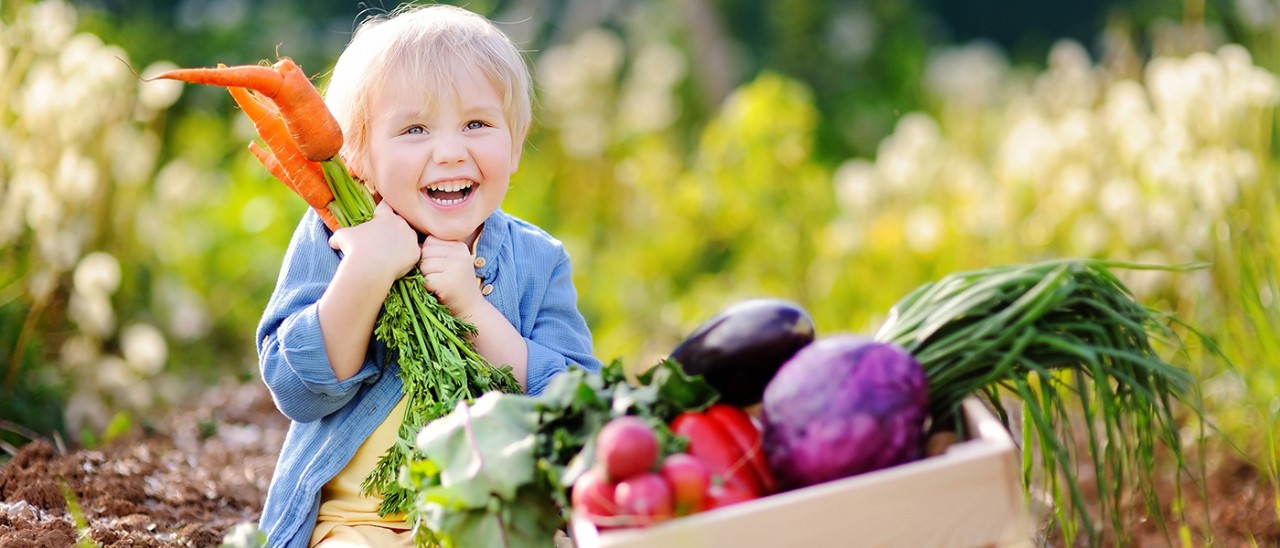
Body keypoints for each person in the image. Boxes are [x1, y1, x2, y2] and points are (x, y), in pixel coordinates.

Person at [253, 4, 601, 547]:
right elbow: (298, 391)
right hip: (358, 524)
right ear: (359, 158)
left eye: (477, 124)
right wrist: (365, 273)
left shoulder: (538, 259)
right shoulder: (335, 236)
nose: (449, 151)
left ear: (515, 144)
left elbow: (578, 411)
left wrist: (474, 312)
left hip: (493, 518)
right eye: (415, 129)